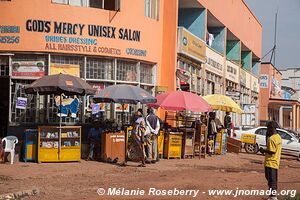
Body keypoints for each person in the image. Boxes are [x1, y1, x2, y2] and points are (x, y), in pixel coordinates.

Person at [259, 121, 282, 200]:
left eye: (268, 128)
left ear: (271, 128)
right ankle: (272, 195)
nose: (267, 130)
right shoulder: (278, 137)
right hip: (275, 162)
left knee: (271, 180)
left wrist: (263, 150)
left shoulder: (271, 139)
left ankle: (273, 196)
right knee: (272, 180)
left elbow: (272, 151)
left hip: (270, 162)